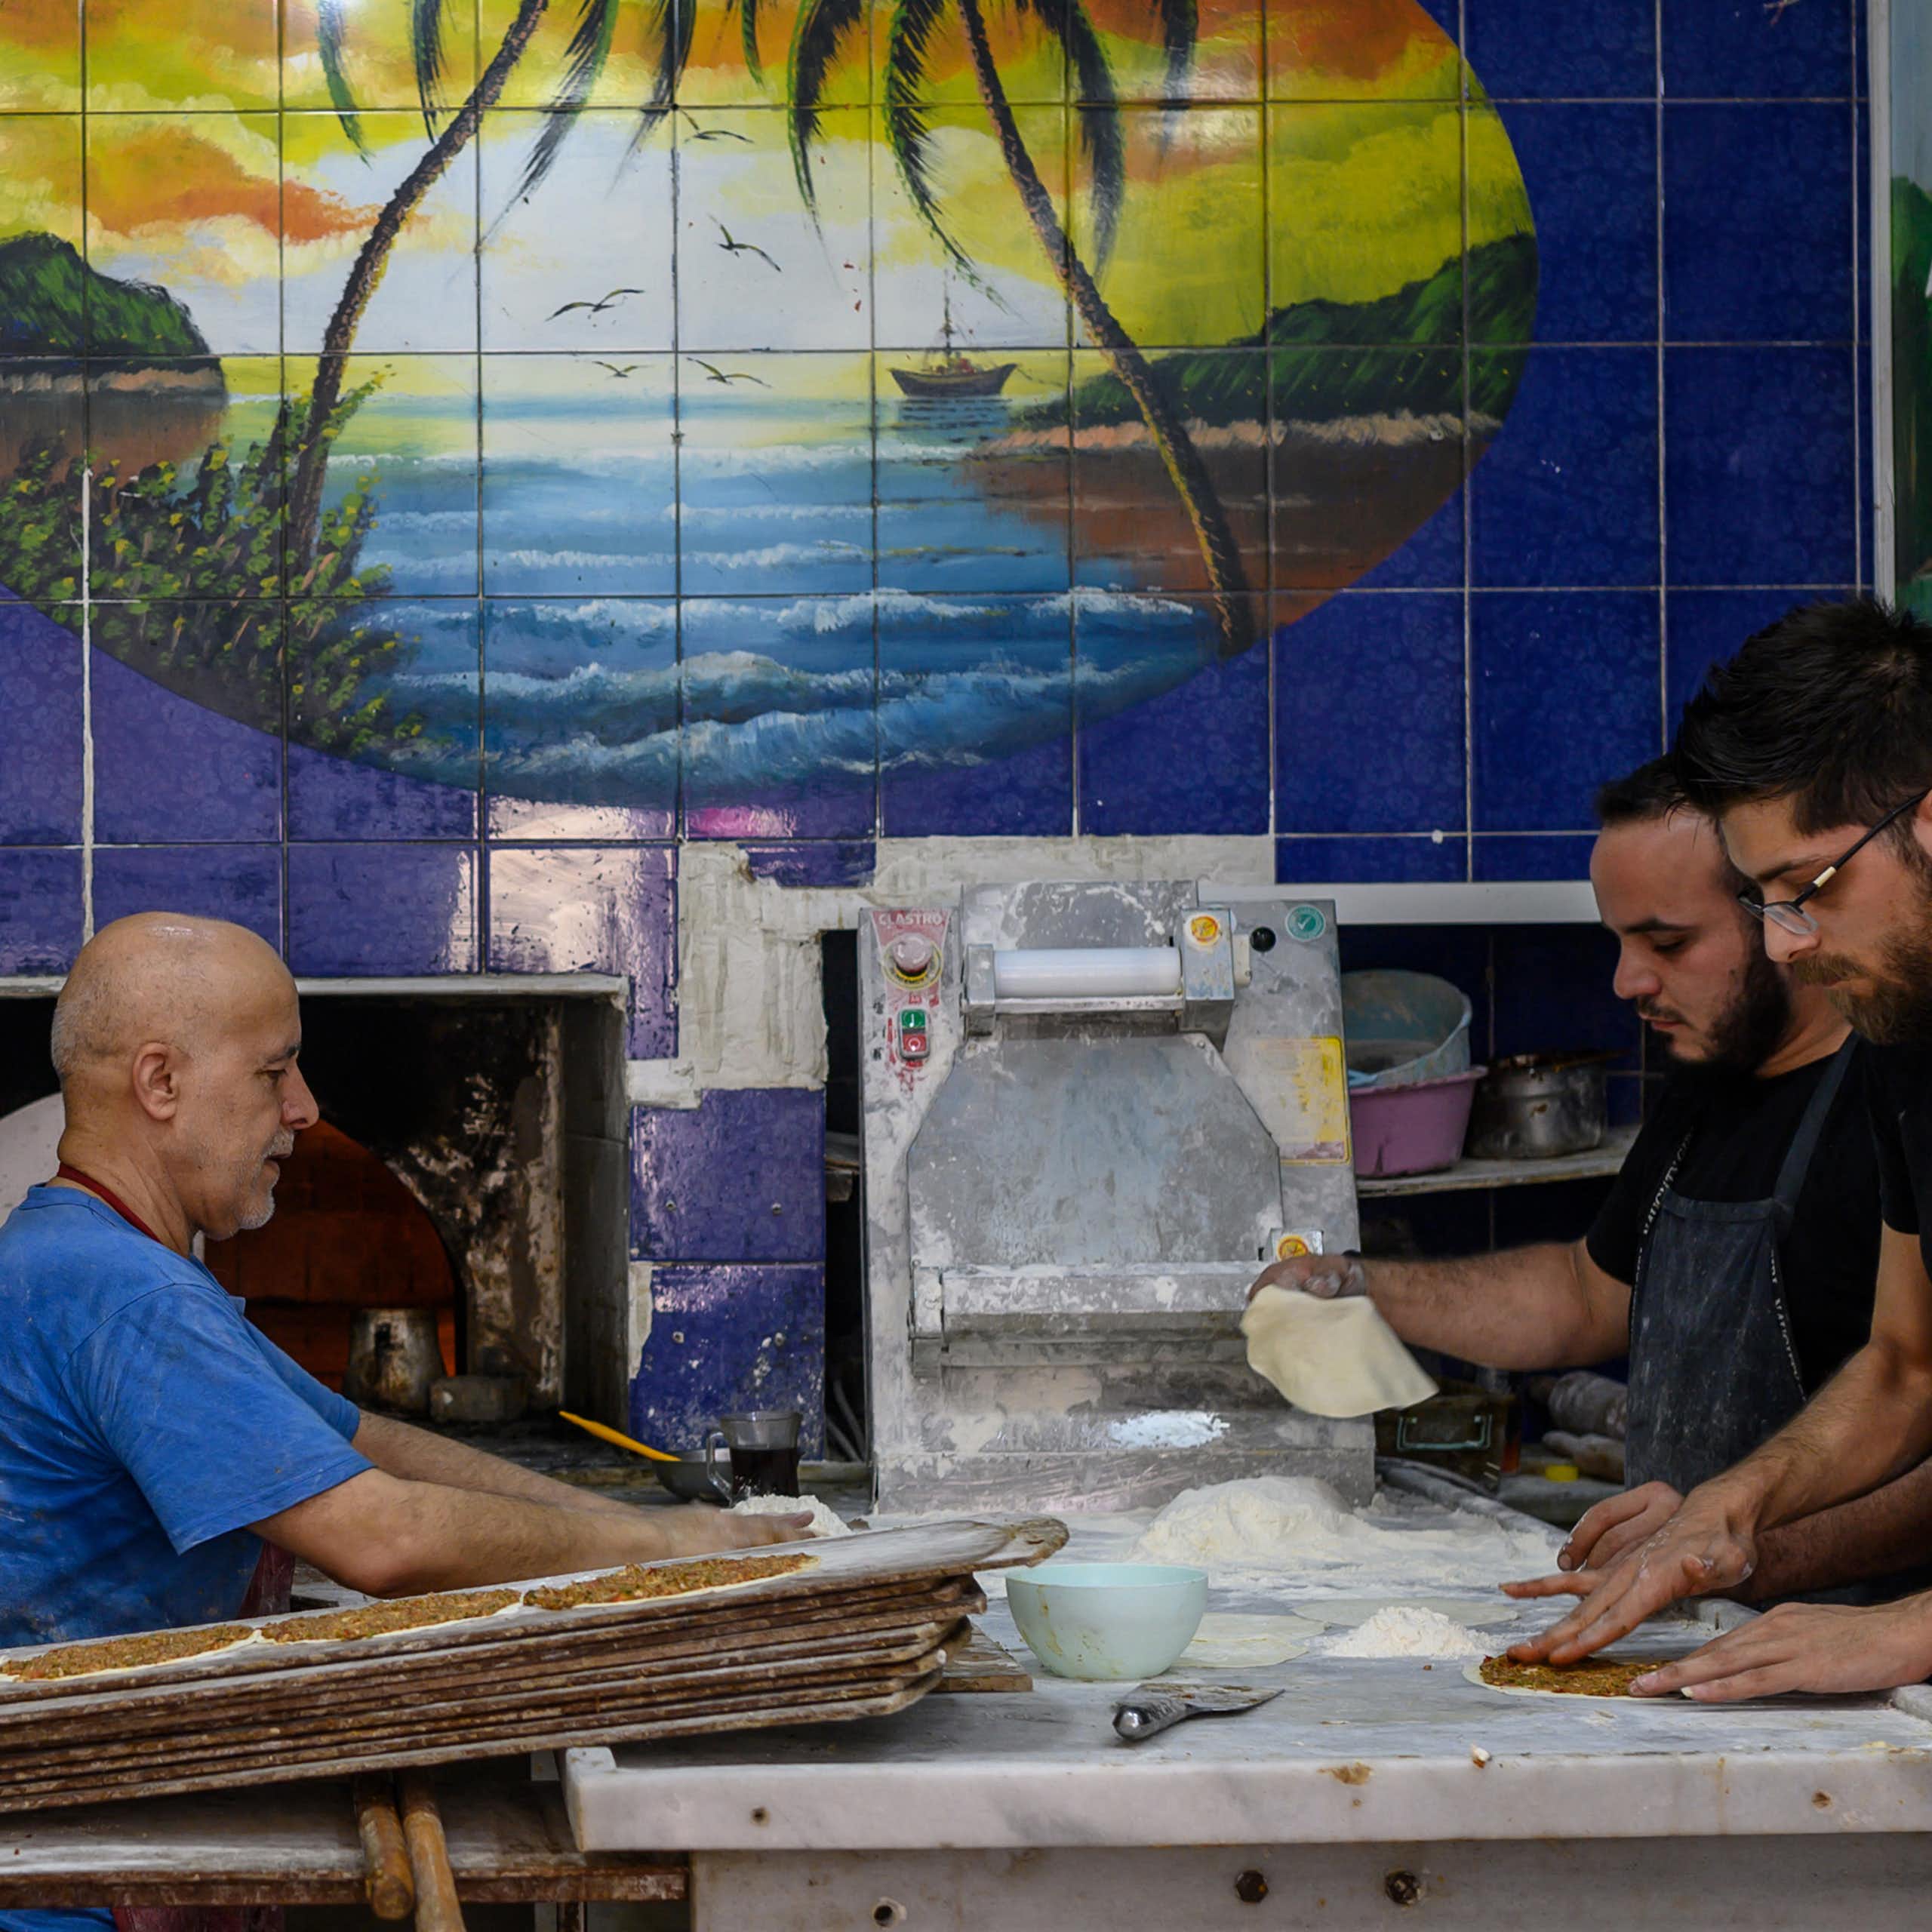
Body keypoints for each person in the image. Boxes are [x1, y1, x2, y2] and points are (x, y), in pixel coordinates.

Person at [0, 912, 801, 1659]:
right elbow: (384, 1539)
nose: (305, 1107)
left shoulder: (86, 1254)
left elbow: (366, 1443)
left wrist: (625, 1521)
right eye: (273, 1071)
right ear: (161, 1083)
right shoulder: (126, 1293)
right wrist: (661, 1552)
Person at [1251, 756, 1930, 1603]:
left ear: (1781, 913)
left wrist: (1743, 1548)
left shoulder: (1896, 1096)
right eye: (1619, 941)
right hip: (1687, 1618)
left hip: (1860, 1659)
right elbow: (1583, 1293)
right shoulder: (1711, 1088)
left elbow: (1911, 1392)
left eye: (1668, 941)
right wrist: (1355, 1284)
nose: (1626, 982)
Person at [1509, 598, 1932, 1700]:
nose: (1788, 946)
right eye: (1760, 902)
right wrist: (1734, 1507)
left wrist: (1909, 1631)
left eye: (1806, 891)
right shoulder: (1907, 1030)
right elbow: (1906, 1365)